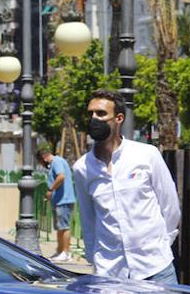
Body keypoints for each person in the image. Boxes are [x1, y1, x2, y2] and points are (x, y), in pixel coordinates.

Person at [72, 88, 181, 283]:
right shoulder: (82, 168)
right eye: (91, 114)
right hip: (110, 272)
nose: (94, 119)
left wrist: (163, 244)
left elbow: (170, 205)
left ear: (119, 118)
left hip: (156, 268)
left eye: (101, 113)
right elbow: (88, 219)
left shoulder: (146, 154)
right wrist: (93, 257)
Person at [38, 147, 77, 263]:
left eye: (40, 162)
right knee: (60, 227)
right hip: (59, 200)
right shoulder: (57, 162)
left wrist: (51, 189)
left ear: (43, 158)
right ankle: (60, 251)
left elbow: (61, 176)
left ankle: (66, 252)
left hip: (63, 200)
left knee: (64, 227)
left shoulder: (56, 162)